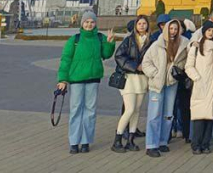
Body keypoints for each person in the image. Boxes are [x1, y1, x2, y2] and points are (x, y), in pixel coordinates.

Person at [56, 10, 116, 154]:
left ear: (95, 23)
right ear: (82, 23)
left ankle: (85, 141)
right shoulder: (75, 40)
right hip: (76, 80)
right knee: (76, 110)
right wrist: (63, 79)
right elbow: (65, 60)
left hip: (93, 79)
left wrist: (110, 43)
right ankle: (74, 141)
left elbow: (106, 55)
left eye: (92, 22)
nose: (89, 24)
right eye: (87, 22)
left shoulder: (100, 38)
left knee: (90, 111)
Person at [141, 18, 188, 157]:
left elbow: (185, 60)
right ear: (166, 29)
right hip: (157, 84)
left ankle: (162, 141)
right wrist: (154, 74)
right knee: (154, 114)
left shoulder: (182, 44)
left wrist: (177, 71)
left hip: (171, 84)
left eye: (176, 29)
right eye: (171, 28)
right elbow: (146, 63)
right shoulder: (157, 45)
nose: (173, 31)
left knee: (168, 115)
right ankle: (151, 145)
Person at [112, 14, 151, 153]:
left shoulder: (151, 41)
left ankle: (130, 140)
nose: (142, 26)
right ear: (135, 26)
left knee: (136, 111)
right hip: (129, 78)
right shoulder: (129, 40)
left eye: (144, 24)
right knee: (129, 109)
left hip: (142, 80)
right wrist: (135, 66)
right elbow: (119, 56)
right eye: (139, 23)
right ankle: (117, 139)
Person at [186, 21, 213, 155]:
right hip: (200, 85)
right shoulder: (196, 47)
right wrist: (197, 78)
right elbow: (188, 66)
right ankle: (196, 144)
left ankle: (206, 144)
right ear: (204, 31)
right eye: (209, 30)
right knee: (199, 118)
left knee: (210, 118)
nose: (211, 33)